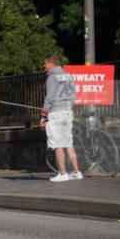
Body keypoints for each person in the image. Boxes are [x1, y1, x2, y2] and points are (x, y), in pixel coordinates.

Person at [41, 54, 82, 182]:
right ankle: (76, 172)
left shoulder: (52, 77)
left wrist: (43, 115)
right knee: (68, 143)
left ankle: (63, 174)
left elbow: (49, 98)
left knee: (58, 144)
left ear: (50, 63)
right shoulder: (68, 75)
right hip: (68, 111)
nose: (43, 66)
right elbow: (74, 94)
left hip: (56, 113)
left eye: (44, 63)